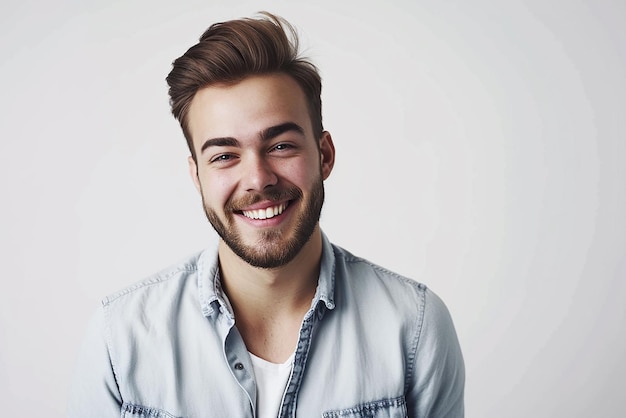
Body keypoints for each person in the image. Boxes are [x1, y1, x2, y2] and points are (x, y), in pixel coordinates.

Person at [68, 12, 465, 418]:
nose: (257, 179)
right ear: (197, 176)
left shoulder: (414, 329)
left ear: (324, 155)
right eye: (224, 156)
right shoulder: (118, 339)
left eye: (281, 146)